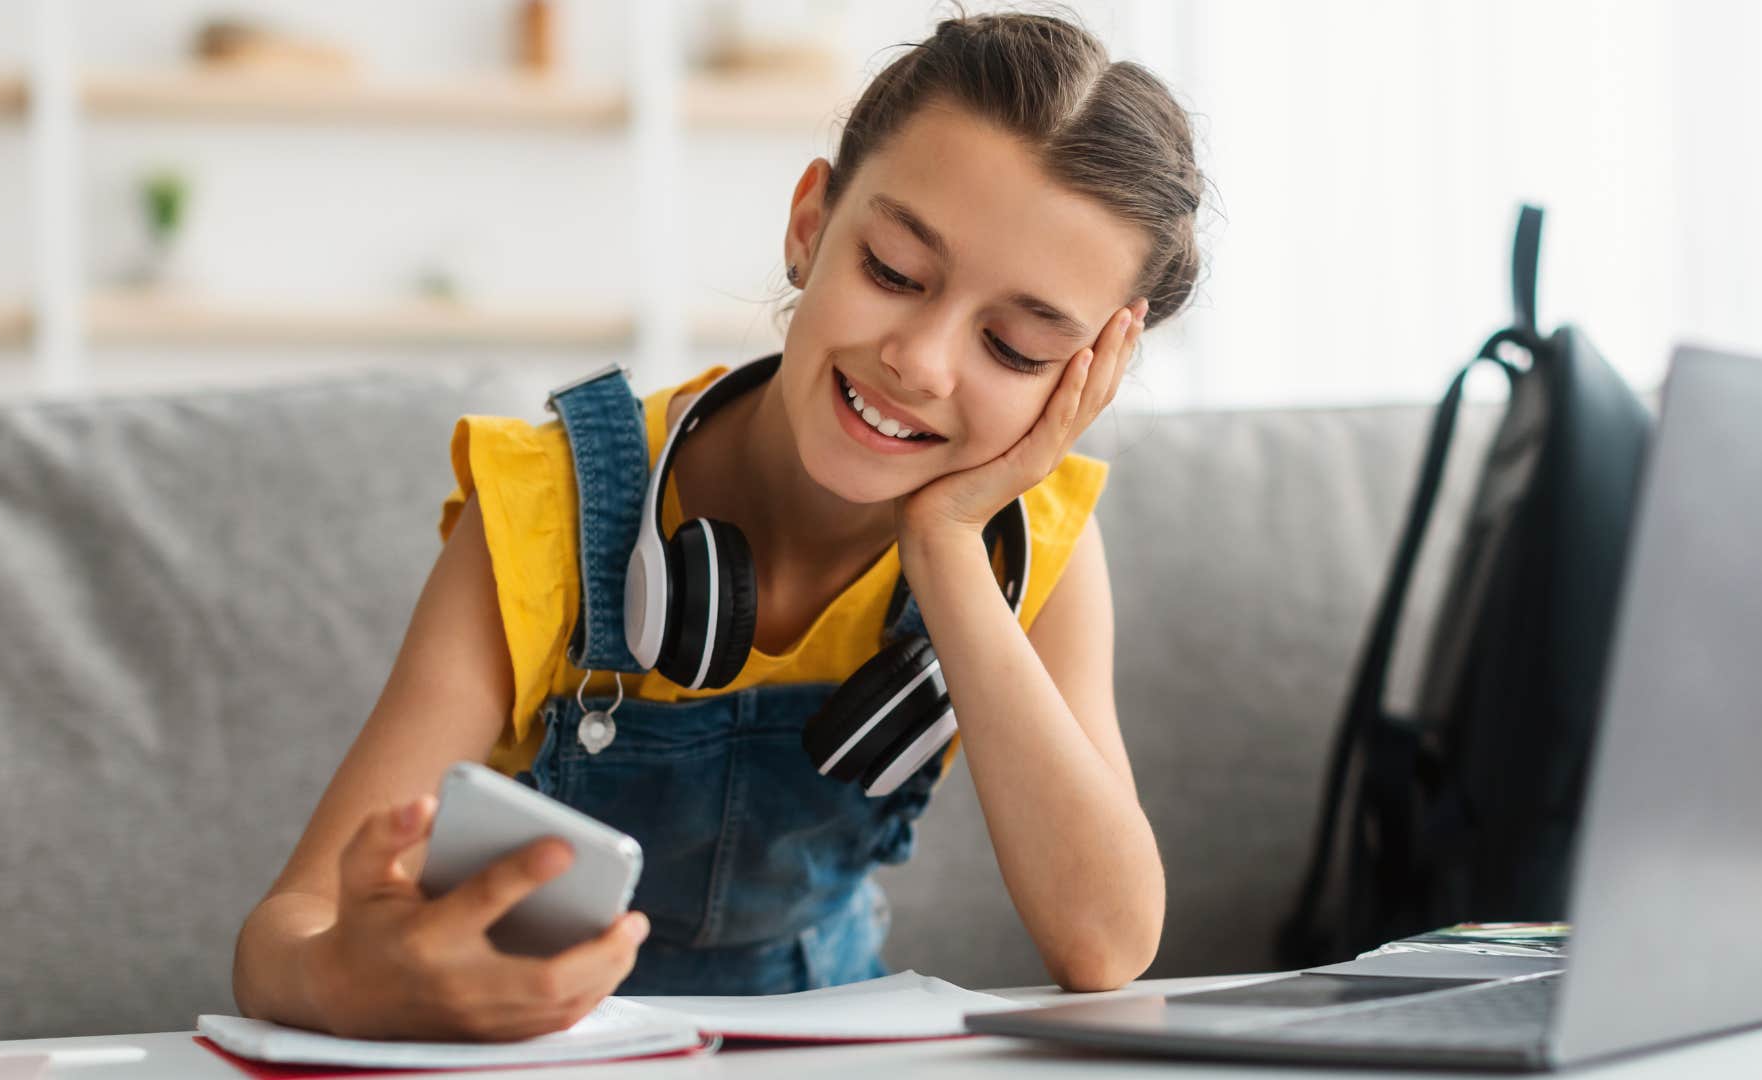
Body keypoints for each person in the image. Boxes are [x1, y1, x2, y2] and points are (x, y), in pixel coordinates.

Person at [232, 7, 1208, 1042]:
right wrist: (350, 979)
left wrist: (947, 549)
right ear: (809, 226)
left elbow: (1106, 944)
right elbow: (282, 936)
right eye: (891, 271)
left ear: (1085, 378)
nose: (920, 362)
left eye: (1012, 347)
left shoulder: (1029, 545)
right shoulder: (547, 503)